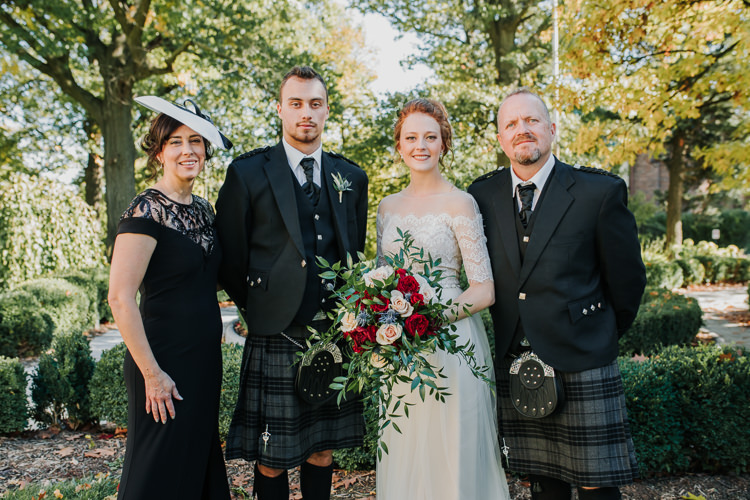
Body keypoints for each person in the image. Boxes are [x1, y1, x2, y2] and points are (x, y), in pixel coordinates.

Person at [467, 87, 647, 500]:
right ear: (500, 139)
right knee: (544, 484)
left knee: (597, 485)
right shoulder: (482, 196)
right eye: (510, 124)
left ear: (551, 129)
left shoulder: (597, 191)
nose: (522, 130)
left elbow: (627, 280)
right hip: (517, 359)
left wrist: (599, 334)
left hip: (583, 353)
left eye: (531, 120)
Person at [215, 66, 368, 500]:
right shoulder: (248, 173)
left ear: (326, 111)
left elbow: (352, 253)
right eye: (296, 104)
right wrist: (262, 309)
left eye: (315, 104)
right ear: (280, 109)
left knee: (322, 450)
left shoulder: (350, 177)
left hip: (334, 330)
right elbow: (230, 259)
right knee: (272, 453)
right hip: (275, 329)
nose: (306, 113)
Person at [375, 98, 510, 500]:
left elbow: (484, 289)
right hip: (400, 349)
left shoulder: (460, 203)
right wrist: (384, 321)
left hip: (451, 345)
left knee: (454, 449)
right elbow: (383, 282)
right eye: (411, 137)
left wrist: (429, 318)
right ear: (399, 146)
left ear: (443, 144)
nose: (421, 145)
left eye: (430, 137)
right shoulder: (386, 208)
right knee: (406, 448)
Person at [108, 96, 233, 499]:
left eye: (196, 141)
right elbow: (120, 298)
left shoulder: (203, 210)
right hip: (161, 361)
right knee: (158, 469)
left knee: (196, 460)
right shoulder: (145, 210)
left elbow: (201, 280)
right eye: (176, 142)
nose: (188, 150)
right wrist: (153, 375)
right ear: (160, 151)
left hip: (203, 361)